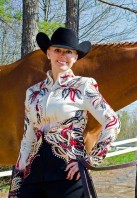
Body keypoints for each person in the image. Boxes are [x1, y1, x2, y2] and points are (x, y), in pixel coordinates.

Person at [8, 27, 120, 198]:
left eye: (68, 52)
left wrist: (91, 160)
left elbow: (112, 122)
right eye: (57, 50)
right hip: (33, 175)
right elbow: (28, 136)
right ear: (48, 53)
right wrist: (18, 178)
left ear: (75, 57)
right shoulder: (33, 92)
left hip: (68, 174)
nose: (62, 55)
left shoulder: (83, 86)